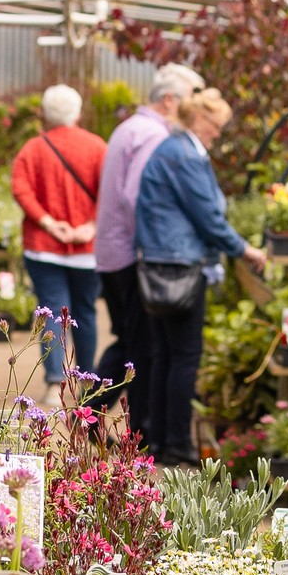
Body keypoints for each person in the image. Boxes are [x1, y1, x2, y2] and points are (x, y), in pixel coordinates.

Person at [134, 88, 267, 468]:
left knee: (164, 355)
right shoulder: (185, 154)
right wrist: (244, 249)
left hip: (160, 262)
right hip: (180, 266)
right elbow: (208, 217)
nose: (218, 133)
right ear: (199, 120)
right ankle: (176, 444)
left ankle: (158, 439)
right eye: (216, 125)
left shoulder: (173, 149)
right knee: (184, 357)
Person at [94, 61, 204, 442]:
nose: (197, 108)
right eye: (193, 98)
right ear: (171, 100)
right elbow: (136, 197)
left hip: (111, 251)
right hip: (131, 254)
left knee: (130, 340)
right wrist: (152, 247)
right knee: (139, 348)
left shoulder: (131, 127)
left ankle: (89, 416)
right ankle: (126, 430)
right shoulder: (154, 135)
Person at [11, 83, 107, 409]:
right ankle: (87, 381)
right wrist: (90, 226)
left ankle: (55, 383)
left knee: (52, 310)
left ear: (44, 114)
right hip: (87, 248)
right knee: (87, 313)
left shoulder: (33, 149)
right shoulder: (97, 148)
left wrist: (49, 223)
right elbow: (110, 193)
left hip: (43, 246)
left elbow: (21, 190)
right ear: (78, 113)